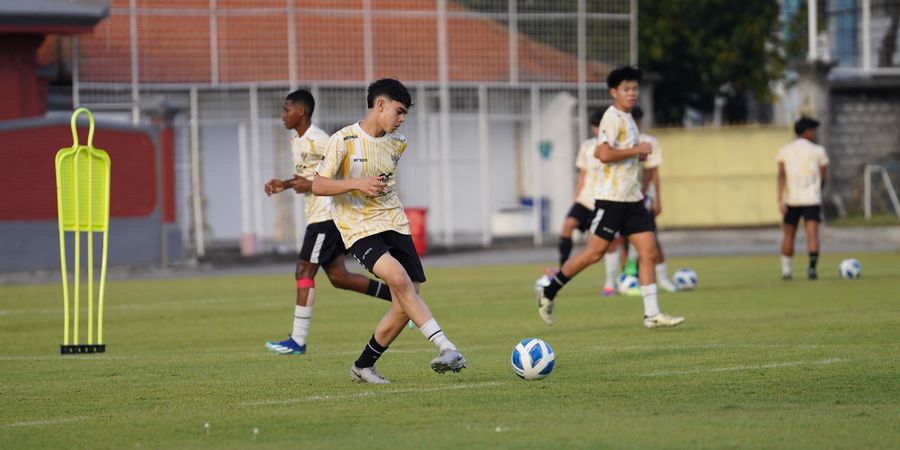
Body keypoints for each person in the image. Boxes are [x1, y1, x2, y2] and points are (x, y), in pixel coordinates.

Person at [312, 78, 466, 384]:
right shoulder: (343, 140)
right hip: (358, 227)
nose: (402, 119)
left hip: (394, 221)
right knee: (398, 279)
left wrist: (372, 186)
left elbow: (383, 182)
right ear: (380, 105)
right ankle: (446, 347)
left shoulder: (398, 143)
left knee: (406, 303)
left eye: (405, 113)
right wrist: (357, 183)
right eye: (398, 111)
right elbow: (318, 185)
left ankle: (363, 366)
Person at [534, 66, 684, 329]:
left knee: (648, 251)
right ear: (613, 92)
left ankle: (652, 314)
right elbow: (603, 154)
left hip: (632, 198)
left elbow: (619, 154)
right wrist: (637, 149)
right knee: (594, 254)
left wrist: (636, 153)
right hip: (611, 199)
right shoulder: (612, 117)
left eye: (635, 89)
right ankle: (549, 290)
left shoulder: (628, 120)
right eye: (626, 89)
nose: (632, 94)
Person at [263, 89, 393, 356]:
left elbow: (346, 164)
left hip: (326, 217)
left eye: (286, 110)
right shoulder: (296, 140)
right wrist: (286, 184)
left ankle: (297, 341)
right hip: (318, 216)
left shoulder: (320, 139)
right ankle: (400, 299)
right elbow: (310, 176)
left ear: (301, 112)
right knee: (338, 277)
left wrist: (315, 185)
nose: (282, 115)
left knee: (303, 271)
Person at [553, 110, 621, 296]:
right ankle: (562, 269)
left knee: (609, 243)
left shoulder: (616, 146)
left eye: (601, 126)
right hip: (585, 200)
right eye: (595, 126)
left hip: (605, 200)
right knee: (567, 226)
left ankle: (610, 283)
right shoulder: (586, 147)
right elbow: (582, 174)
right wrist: (576, 197)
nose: (598, 129)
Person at [624, 106, 678, 293]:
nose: (636, 124)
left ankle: (662, 277)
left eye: (638, 120)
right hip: (621, 197)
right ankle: (627, 277)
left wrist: (656, 199)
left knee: (651, 237)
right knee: (622, 240)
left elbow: (652, 172)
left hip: (642, 198)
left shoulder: (648, 142)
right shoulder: (621, 141)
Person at [777, 116, 829, 280]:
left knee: (788, 234)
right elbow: (823, 176)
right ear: (807, 131)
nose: (813, 133)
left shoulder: (785, 150)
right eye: (812, 130)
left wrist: (779, 199)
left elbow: (781, 176)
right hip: (811, 198)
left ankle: (786, 271)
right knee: (812, 234)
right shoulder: (818, 150)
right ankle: (812, 270)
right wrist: (817, 190)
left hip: (792, 199)